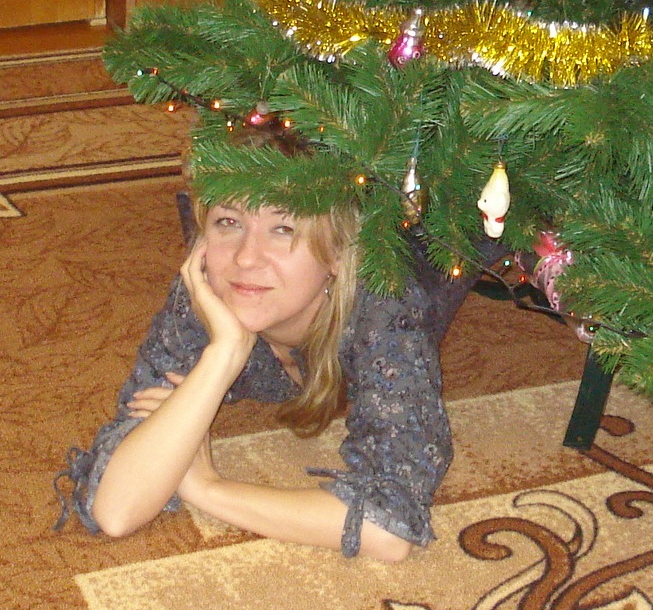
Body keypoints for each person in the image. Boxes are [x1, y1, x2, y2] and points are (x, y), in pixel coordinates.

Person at [54, 167, 504, 562]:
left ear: (336, 253)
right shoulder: (205, 293)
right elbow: (116, 510)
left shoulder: (384, 306)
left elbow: (388, 530)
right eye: (228, 222)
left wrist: (209, 488)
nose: (246, 258)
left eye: (284, 229)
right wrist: (224, 352)